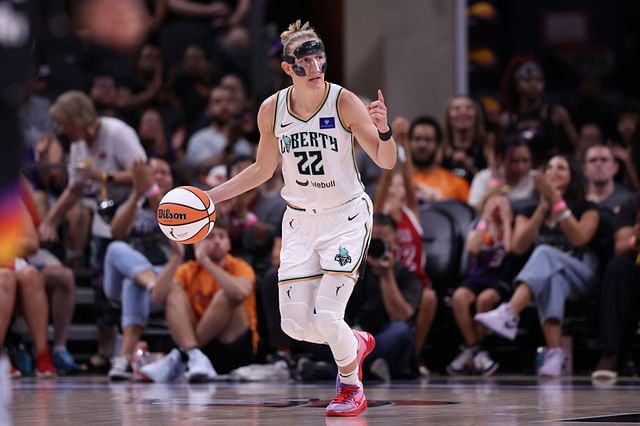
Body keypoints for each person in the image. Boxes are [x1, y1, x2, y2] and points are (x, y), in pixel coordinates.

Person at [205, 20, 397, 417]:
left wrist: (385, 131)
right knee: (294, 326)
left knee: (328, 315)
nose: (315, 66)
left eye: (319, 57)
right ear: (287, 67)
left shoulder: (344, 101)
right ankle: (355, 343)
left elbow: (385, 160)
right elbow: (261, 170)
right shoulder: (271, 110)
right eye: (304, 60)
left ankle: (350, 387)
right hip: (299, 222)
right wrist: (212, 197)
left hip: (345, 217)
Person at [475, 155, 599, 377]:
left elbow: (579, 238)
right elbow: (518, 246)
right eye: (549, 167)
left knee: (544, 253)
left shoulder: (587, 207)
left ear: (573, 176)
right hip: (556, 279)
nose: (554, 171)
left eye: (561, 167)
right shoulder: (529, 209)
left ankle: (509, 313)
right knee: (551, 279)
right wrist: (542, 209)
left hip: (582, 275)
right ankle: (554, 353)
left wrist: (558, 204)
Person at [140, 223, 258, 382]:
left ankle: (182, 355)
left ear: (229, 243)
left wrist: (206, 262)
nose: (216, 241)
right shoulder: (188, 269)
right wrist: (176, 257)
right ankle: (192, 353)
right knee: (173, 292)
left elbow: (240, 293)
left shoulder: (240, 266)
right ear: (197, 242)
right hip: (201, 353)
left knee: (227, 294)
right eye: (210, 237)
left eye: (222, 236)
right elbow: (157, 297)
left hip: (235, 347)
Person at [373, 116, 437, 376]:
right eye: (393, 188)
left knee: (430, 296)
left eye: (401, 188)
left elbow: (408, 182)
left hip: (412, 279)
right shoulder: (379, 217)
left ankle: (416, 352)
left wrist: (405, 148)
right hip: (386, 274)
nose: (396, 191)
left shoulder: (412, 214)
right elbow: (386, 179)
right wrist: (393, 139)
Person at [346, 214, 423, 380]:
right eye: (372, 240)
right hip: (354, 338)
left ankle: (335, 369)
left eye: (382, 239)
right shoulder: (353, 270)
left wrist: (386, 275)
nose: (376, 244)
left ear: (395, 243)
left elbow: (400, 316)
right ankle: (367, 367)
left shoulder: (406, 276)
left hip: (383, 340)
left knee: (401, 331)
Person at [448, 191, 513, 376]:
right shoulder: (479, 225)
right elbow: (472, 248)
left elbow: (509, 249)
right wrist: (485, 218)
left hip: (499, 278)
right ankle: (476, 350)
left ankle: (470, 351)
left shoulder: (511, 226)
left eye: (502, 203)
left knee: (484, 300)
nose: (497, 206)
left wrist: (506, 221)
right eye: (493, 202)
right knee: (459, 298)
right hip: (477, 277)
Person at [591, 193, 640, 381]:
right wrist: (636, 233)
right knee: (617, 267)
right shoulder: (632, 204)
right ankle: (610, 354)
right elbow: (620, 247)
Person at [407, 116, 470, 203]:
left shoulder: (457, 184)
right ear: (409, 143)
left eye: (428, 139)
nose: (422, 145)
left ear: (438, 145)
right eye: (417, 139)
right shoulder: (397, 182)